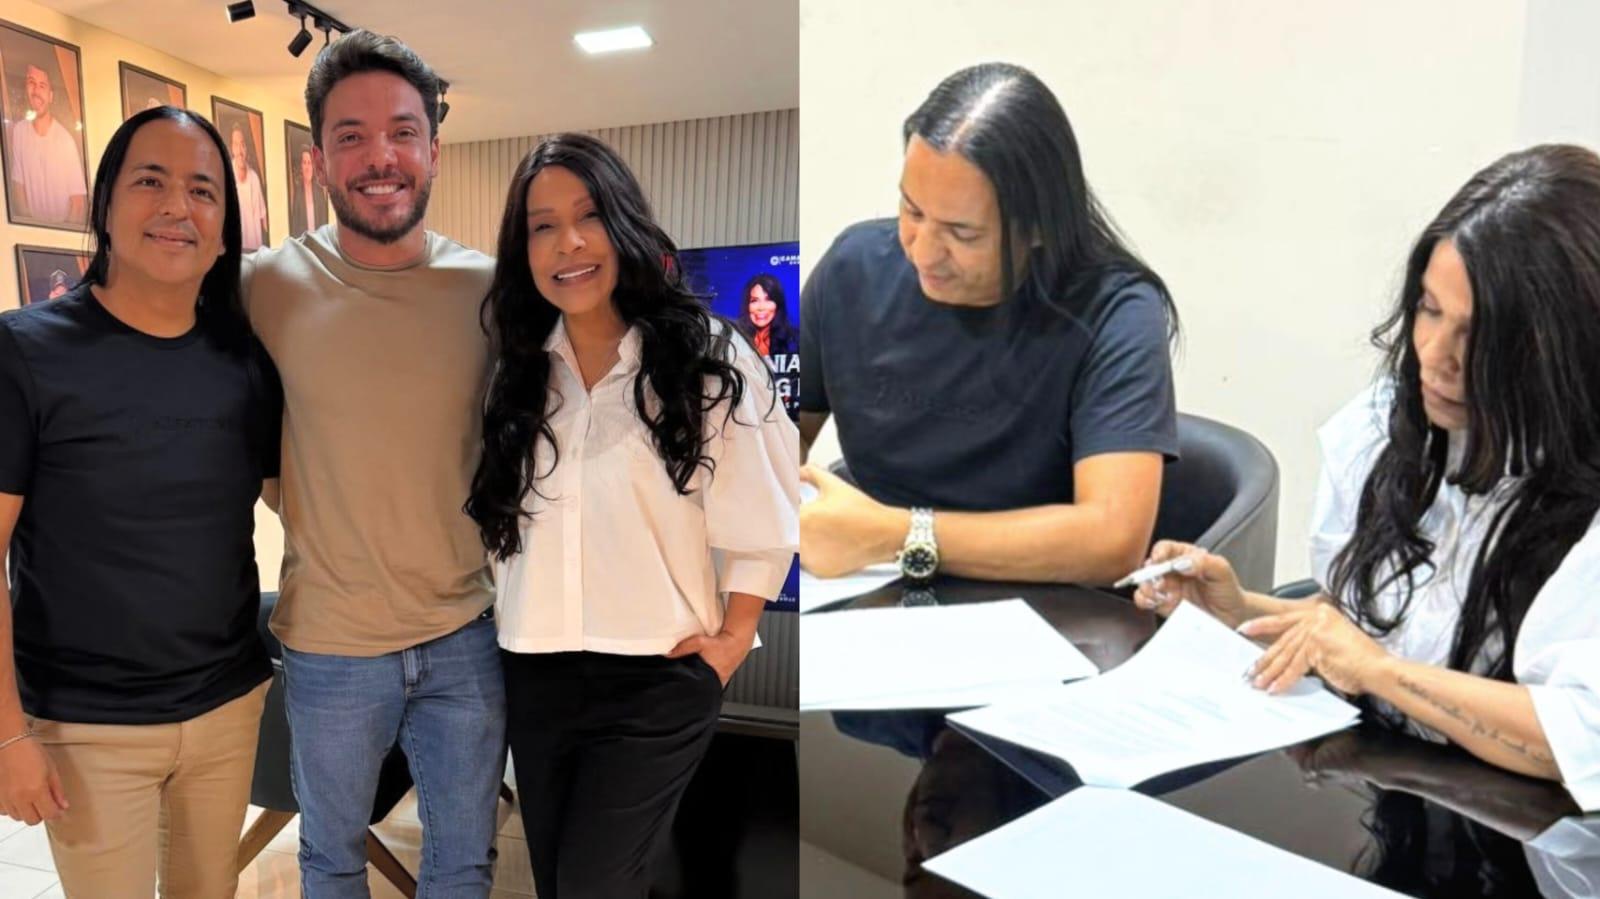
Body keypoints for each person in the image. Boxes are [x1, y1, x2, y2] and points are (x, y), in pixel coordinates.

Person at [1138, 145, 1600, 810]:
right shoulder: (1393, 427)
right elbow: (1384, 626)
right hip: (1406, 804)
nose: (1434, 356)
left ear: (1560, 346)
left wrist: (1383, 674)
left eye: (1477, 333)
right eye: (1429, 310)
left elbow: (1578, 738)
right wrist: (1241, 609)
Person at [467, 132, 798, 898]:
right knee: (558, 880)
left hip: (656, 679)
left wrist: (732, 639)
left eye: (587, 216)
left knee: (591, 885)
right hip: (533, 673)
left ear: (625, 224)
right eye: (541, 225)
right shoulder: (515, 374)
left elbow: (765, 518)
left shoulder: (705, 360)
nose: (568, 243)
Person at [243, 30, 505, 896]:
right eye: (350, 136)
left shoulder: (492, 291)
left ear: (433, 147)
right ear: (317, 159)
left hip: (467, 631)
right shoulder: (261, 286)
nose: (379, 156)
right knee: (329, 862)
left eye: (401, 131)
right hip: (328, 643)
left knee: (463, 863)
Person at [0, 105, 279, 897]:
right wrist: (7, 732)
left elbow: (304, 506)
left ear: (224, 229)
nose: (175, 207)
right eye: (149, 180)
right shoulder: (24, 351)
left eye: (202, 190)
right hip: (85, 727)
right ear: (105, 205)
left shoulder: (244, 362)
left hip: (225, 707)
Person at [798, 62, 1179, 586]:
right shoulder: (852, 269)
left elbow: (1112, 539)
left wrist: (900, 534)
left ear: (1041, 227)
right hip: (863, 588)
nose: (923, 251)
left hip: (1039, 608)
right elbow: (779, 444)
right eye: (912, 211)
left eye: (963, 232)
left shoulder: (1114, 310)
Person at [7, 63, 87, 225]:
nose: (36, 91)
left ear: (51, 96)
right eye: (31, 83)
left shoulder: (66, 140)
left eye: (42, 85)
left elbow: (78, 204)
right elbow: (18, 190)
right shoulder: (19, 132)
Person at [735, 272, 796, 357]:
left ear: (777, 304)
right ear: (747, 305)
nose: (761, 307)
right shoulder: (735, 339)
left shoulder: (794, 341)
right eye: (754, 300)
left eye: (768, 300)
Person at [230, 124, 268, 250]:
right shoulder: (225, 176)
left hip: (255, 252)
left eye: (242, 144)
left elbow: (264, 218)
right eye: (236, 145)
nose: (240, 151)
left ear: (246, 148)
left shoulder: (254, 178)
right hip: (234, 252)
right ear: (232, 148)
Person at [288, 145, 326, 236]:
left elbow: (324, 222)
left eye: (309, 163)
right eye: (304, 162)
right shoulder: (297, 193)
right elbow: (295, 226)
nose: (307, 167)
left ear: (313, 166)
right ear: (301, 166)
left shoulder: (319, 191)